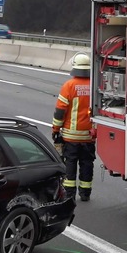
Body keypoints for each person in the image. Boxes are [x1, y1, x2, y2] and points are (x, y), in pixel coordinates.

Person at [52, 52, 96, 201]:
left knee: (70, 163)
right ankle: (85, 193)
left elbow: (60, 111)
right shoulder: (94, 85)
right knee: (87, 164)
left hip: (71, 136)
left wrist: (55, 130)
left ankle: (69, 194)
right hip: (89, 136)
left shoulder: (69, 85)